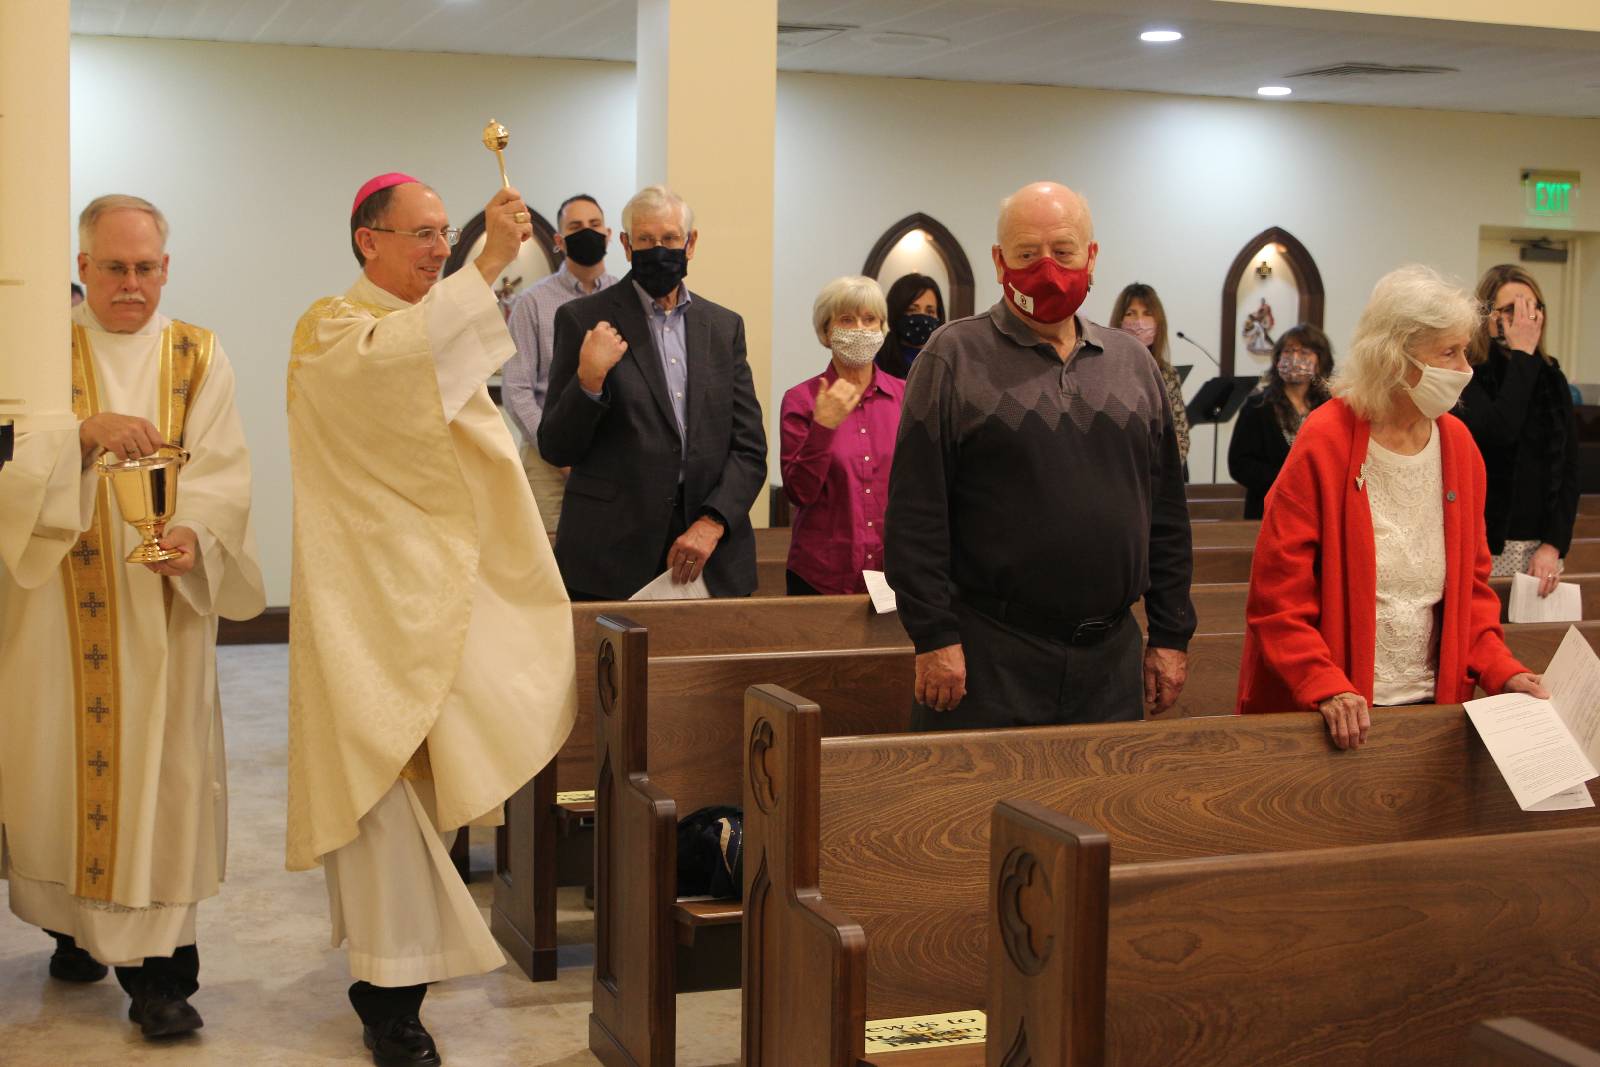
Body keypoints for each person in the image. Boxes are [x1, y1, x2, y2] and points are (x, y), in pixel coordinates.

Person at [287, 173, 577, 1066]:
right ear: (365, 239)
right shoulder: (330, 328)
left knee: (432, 789)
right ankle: (389, 1000)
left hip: (438, 598)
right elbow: (394, 373)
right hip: (364, 608)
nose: (434, 247)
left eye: (444, 232)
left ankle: (401, 983)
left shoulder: (430, 327)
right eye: (419, 233)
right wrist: (488, 260)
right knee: (380, 801)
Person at [0, 194, 264, 1038]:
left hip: (160, 612)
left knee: (166, 781)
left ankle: (163, 978)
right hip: (55, 614)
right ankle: (73, 929)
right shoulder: (42, 350)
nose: (131, 284)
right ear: (82, 268)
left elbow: (224, 467)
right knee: (58, 773)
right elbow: (9, 455)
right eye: (113, 267)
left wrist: (191, 533)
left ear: (166, 268)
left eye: (146, 267)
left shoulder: (198, 353)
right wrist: (78, 435)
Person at [885, 181, 1194, 730]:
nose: (1047, 268)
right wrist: (934, 636)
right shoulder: (952, 357)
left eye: (1064, 251)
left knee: (1099, 812)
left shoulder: (1133, 364)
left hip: (1111, 656)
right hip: (990, 653)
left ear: (1092, 256)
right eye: (1027, 254)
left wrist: (1170, 634)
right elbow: (916, 514)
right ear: (1000, 261)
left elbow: (1167, 512)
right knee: (977, 814)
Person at [1237, 265, 1547, 749]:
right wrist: (1325, 684)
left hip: (1434, 712)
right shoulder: (1326, 439)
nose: (1465, 368)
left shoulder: (1459, 447)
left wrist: (1502, 670)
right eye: (1448, 352)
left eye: (1465, 350)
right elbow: (1278, 598)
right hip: (1332, 717)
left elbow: (1472, 593)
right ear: (1394, 358)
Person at [539, 184, 767, 600]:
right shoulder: (581, 319)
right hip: (609, 555)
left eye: (669, 239)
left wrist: (712, 523)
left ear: (690, 243)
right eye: (645, 239)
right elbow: (556, 446)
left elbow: (749, 447)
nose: (657, 248)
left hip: (709, 552)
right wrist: (588, 380)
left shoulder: (723, 327)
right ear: (626, 245)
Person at [1456, 264, 1580, 598]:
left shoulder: (1552, 376)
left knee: (1534, 643)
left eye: (1533, 308)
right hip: (1486, 541)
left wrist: (1553, 545)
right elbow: (1499, 434)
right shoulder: (1469, 373)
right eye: (1511, 310)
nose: (1525, 319)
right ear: (1487, 316)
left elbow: (1569, 468)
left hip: (1541, 545)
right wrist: (1523, 354)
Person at [502, 193, 619, 534]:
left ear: (609, 234)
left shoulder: (624, 298)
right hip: (547, 464)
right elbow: (517, 390)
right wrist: (557, 452)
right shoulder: (532, 303)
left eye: (595, 225)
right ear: (559, 240)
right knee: (549, 566)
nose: (587, 232)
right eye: (576, 226)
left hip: (611, 459)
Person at [780, 276, 903, 595]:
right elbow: (799, 493)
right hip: (821, 578)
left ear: (882, 328)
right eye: (847, 320)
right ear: (826, 331)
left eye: (869, 319)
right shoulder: (801, 400)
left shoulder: (905, 398)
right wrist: (823, 427)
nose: (860, 328)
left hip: (894, 577)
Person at [1227, 324, 1335, 520]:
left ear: (1320, 360)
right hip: (1270, 509)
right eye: (1288, 351)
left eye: (1304, 352)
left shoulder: (1330, 407)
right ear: (1277, 360)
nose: (1295, 358)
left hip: (1318, 511)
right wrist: (1288, 481)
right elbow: (1239, 464)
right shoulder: (1257, 406)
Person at [1110, 282, 1191, 467]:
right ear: (1119, 321)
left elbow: (1181, 434)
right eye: (1130, 313)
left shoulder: (1168, 374)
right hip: (1120, 472)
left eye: (1147, 314)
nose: (1139, 322)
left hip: (1159, 477)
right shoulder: (1106, 371)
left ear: (1158, 322)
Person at [875, 272, 944, 379]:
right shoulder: (877, 362)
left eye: (930, 311)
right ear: (896, 312)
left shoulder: (945, 362)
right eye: (912, 310)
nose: (922, 317)